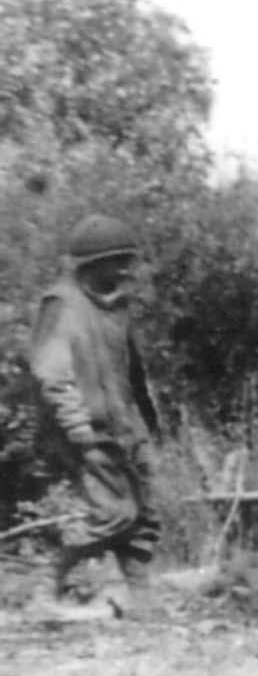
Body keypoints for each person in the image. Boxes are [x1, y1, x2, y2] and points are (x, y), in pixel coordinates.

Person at [26, 213, 163, 619]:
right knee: (115, 514)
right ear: (91, 265)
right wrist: (78, 428)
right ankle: (44, 586)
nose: (125, 269)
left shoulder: (118, 305)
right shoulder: (62, 305)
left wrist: (148, 421)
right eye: (116, 261)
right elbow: (52, 374)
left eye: (127, 260)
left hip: (126, 425)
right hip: (86, 428)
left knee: (145, 513)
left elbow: (133, 370)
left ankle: (142, 600)